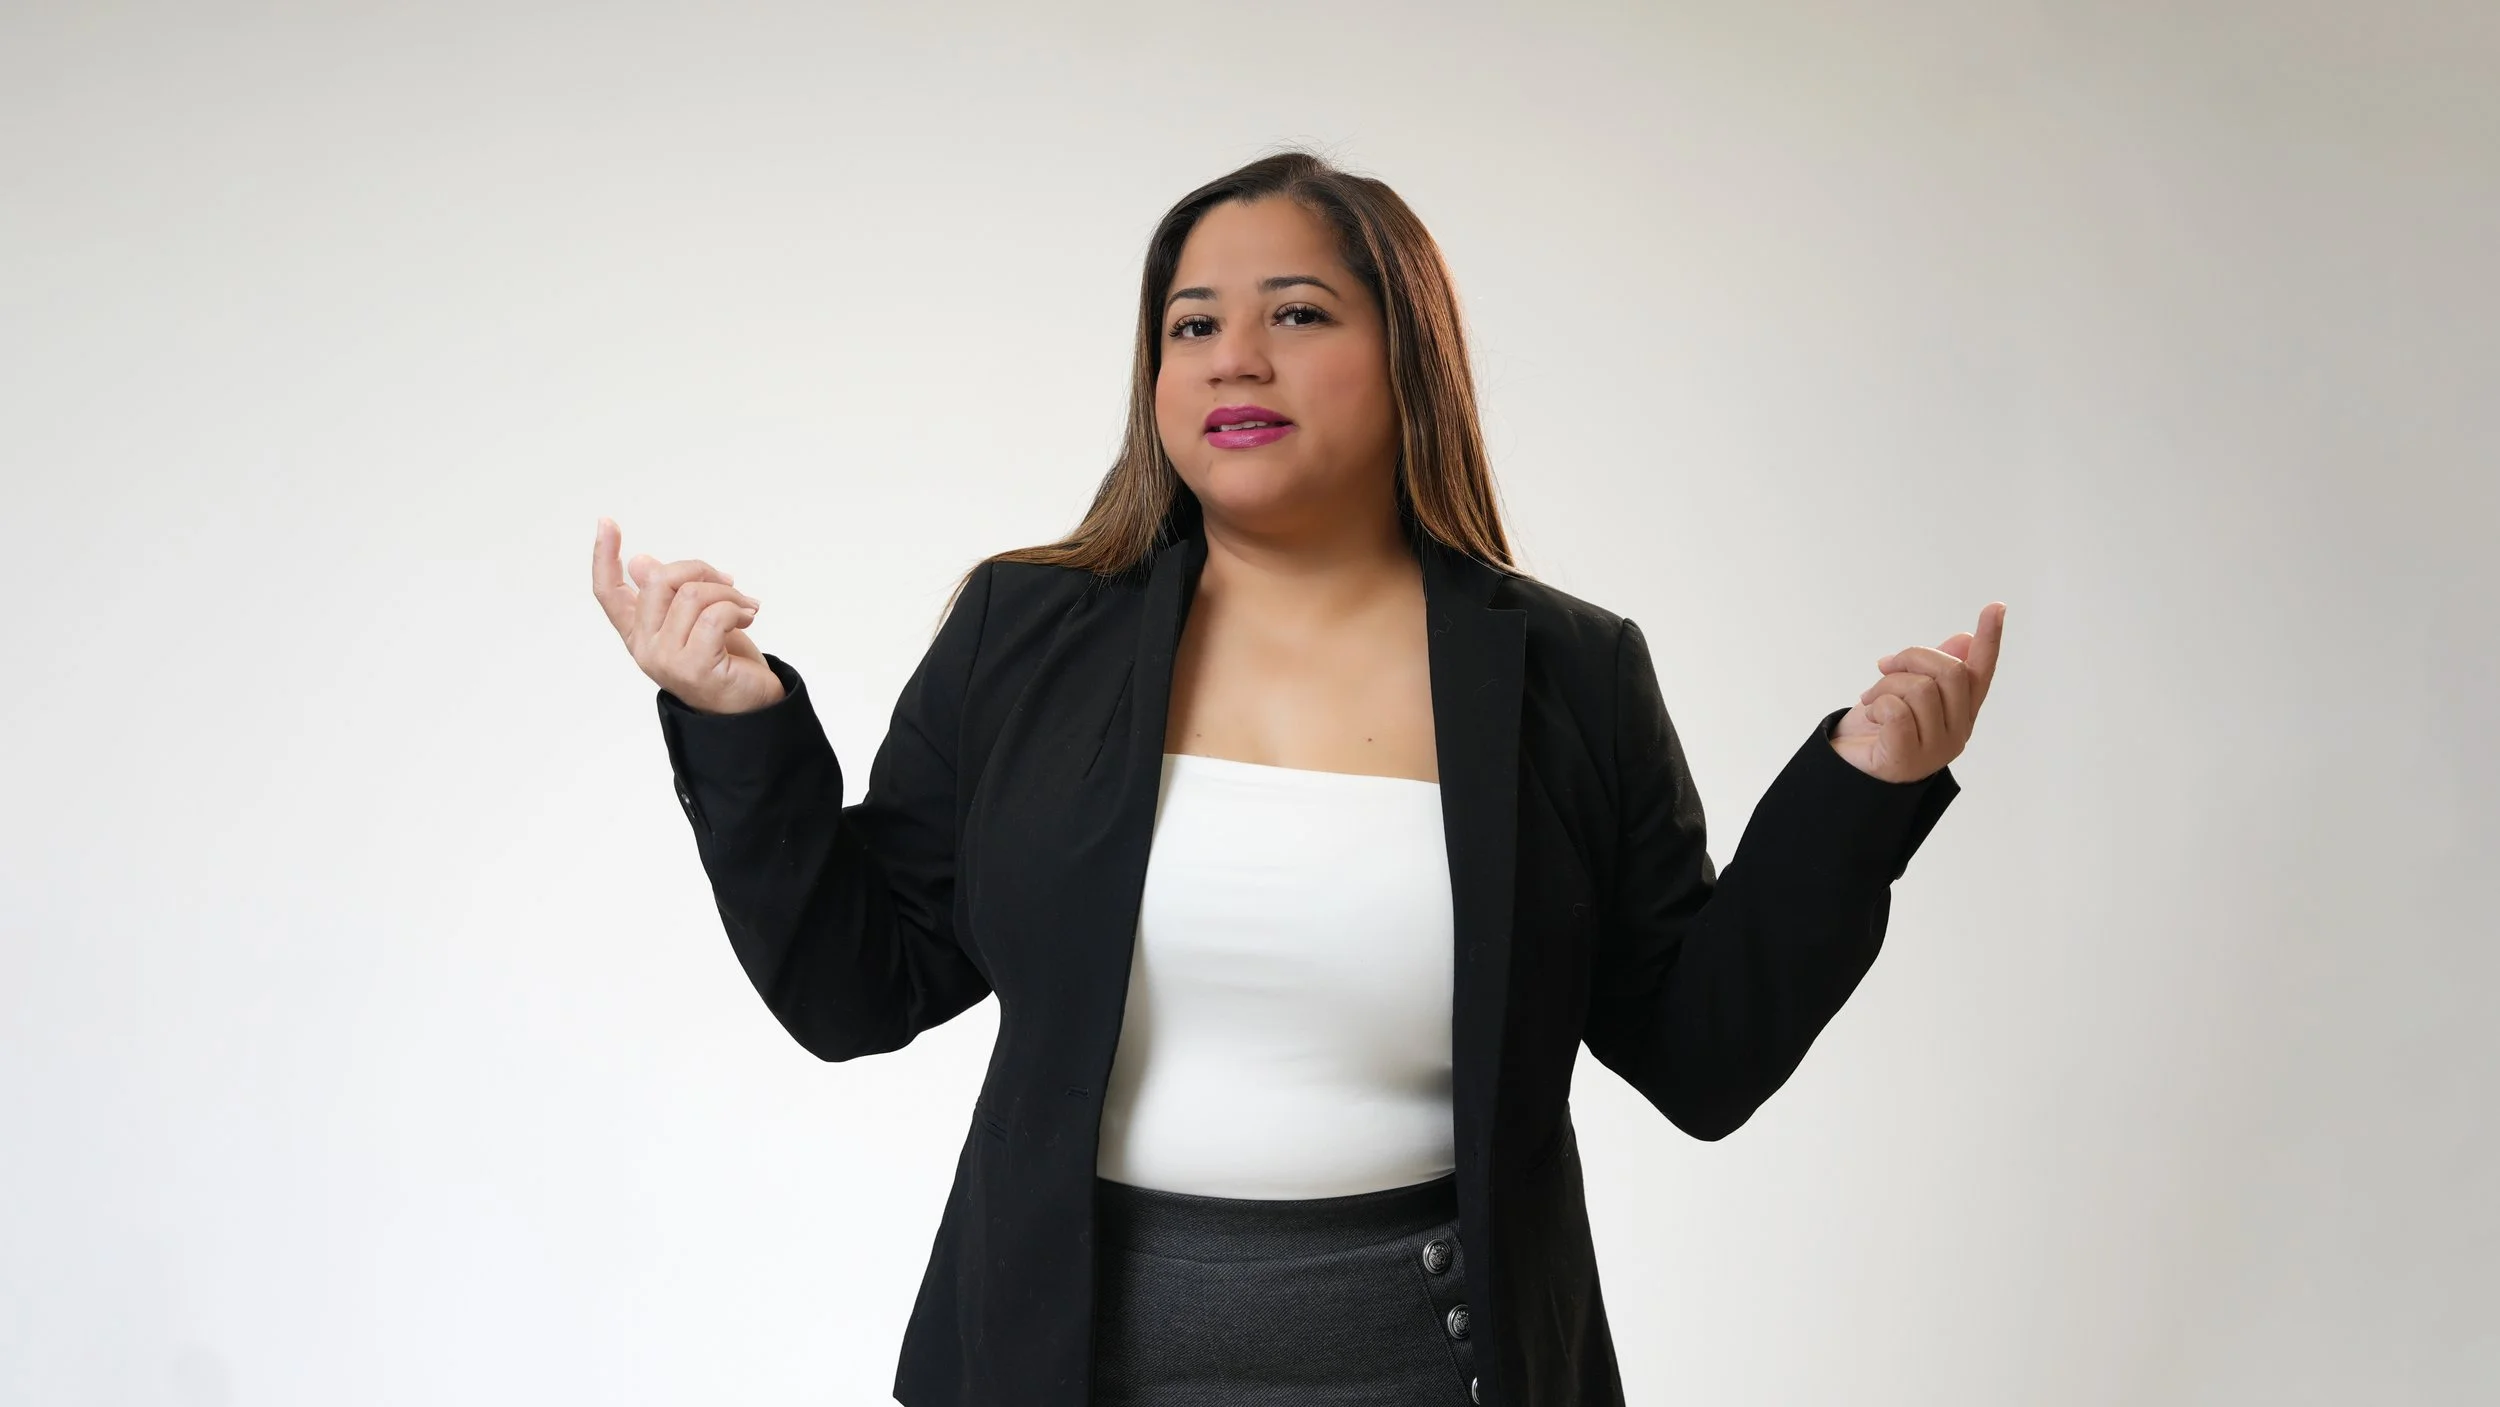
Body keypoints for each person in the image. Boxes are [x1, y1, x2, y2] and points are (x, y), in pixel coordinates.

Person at [589, 149, 2002, 1407]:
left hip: (1435, 1353)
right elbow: (858, 986)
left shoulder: (1570, 672)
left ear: (1410, 358)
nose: (1231, 359)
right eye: (1191, 324)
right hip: (1054, 1352)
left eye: (1298, 314)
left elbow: (1701, 1055)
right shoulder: (1021, 634)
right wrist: (736, 717)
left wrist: (1861, 794)